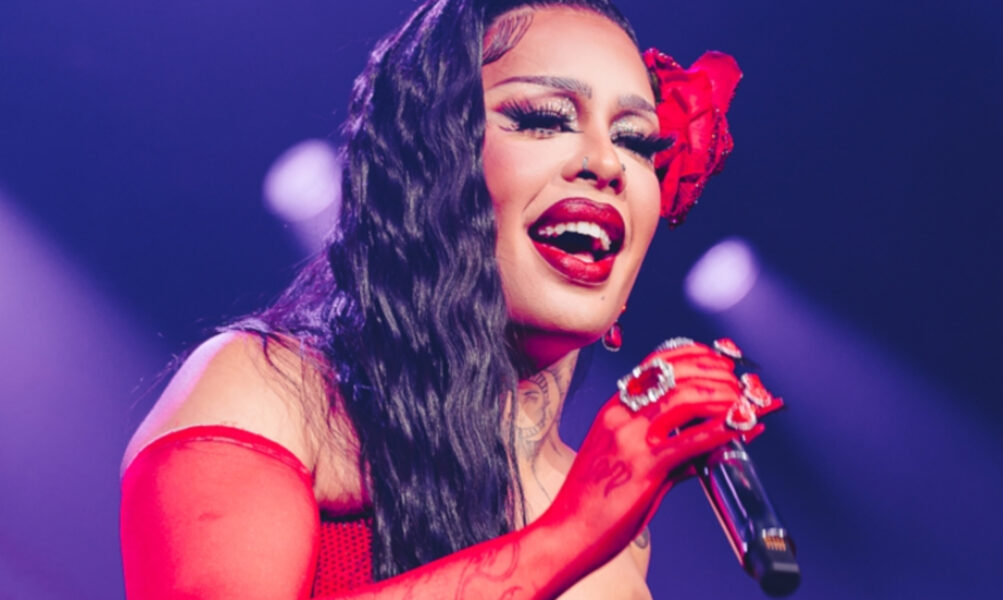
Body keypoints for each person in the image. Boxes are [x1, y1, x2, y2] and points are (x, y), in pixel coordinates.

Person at [119, 0, 777, 598]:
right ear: (427, 170)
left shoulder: (623, 547)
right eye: (543, 119)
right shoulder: (271, 390)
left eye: (636, 140)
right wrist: (572, 533)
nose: (607, 163)